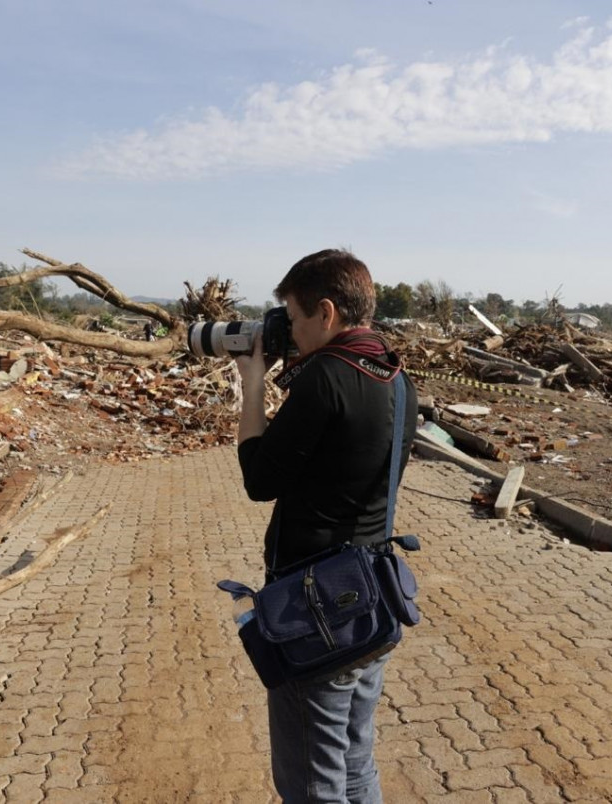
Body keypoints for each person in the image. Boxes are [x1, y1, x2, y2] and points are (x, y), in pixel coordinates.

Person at [234, 249, 418, 803]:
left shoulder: (327, 378)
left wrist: (252, 385)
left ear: (327, 313)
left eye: (292, 316)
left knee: (312, 784)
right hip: (371, 598)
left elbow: (259, 479)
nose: (289, 329)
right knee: (355, 764)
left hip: (316, 613)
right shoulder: (395, 374)